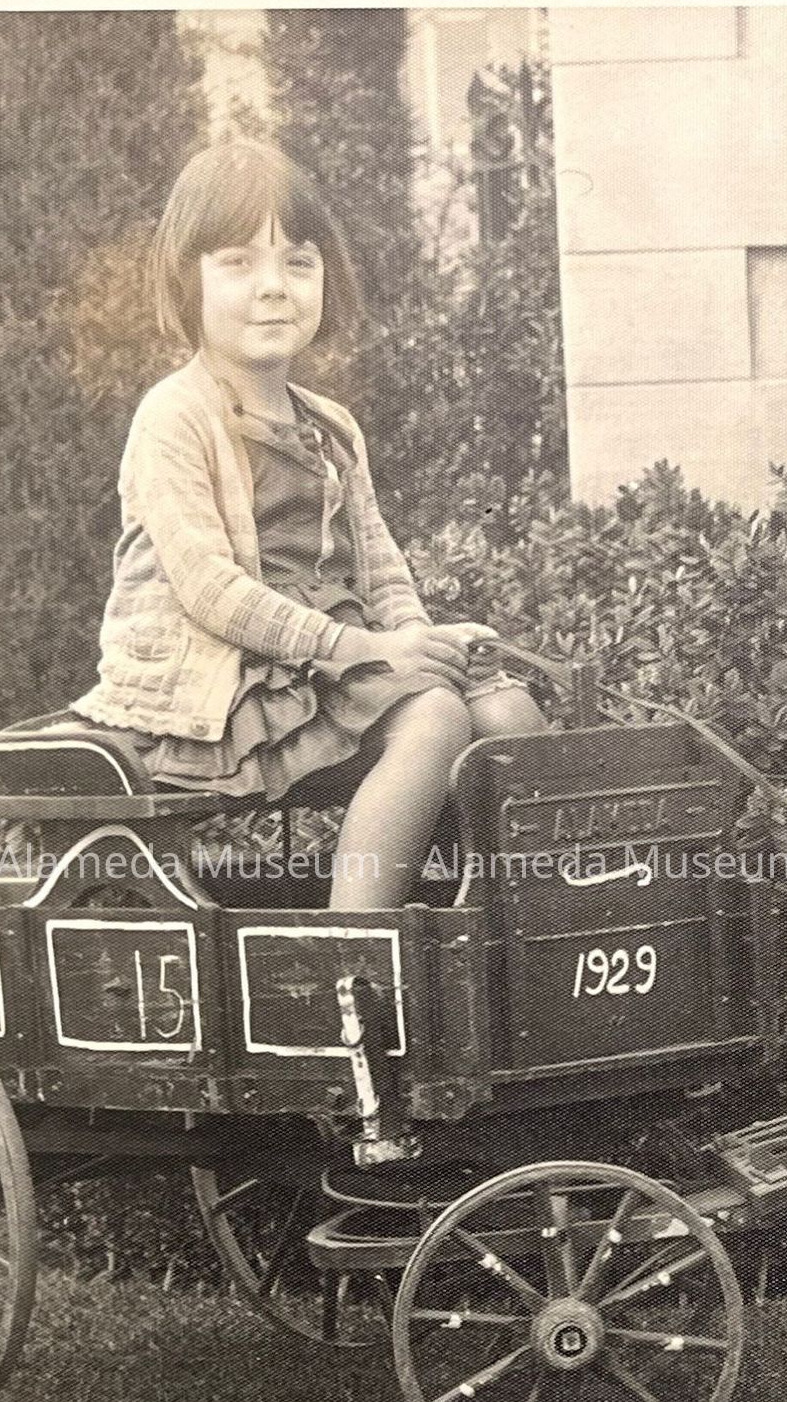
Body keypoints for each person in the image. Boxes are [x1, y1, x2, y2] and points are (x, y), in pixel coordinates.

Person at [72, 139, 543, 910]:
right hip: (221, 678)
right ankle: (352, 945)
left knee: (505, 711)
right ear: (187, 280)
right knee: (432, 718)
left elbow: (381, 569)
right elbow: (211, 592)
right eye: (237, 263)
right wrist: (369, 651)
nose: (273, 287)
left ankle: (499, 939)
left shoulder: (332, 426)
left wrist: (419, 640)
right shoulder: (175, 417)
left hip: (322, 667)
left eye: (298, 262)